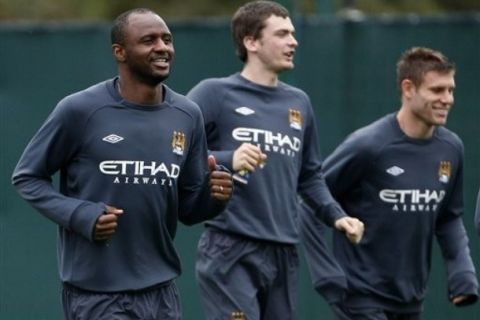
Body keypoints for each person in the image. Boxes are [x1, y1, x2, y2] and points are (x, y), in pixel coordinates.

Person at [11, 8, 233, 320]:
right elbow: (27, 177)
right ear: (120, 52)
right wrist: (81, 214)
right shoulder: (80, 110)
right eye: (148, 40)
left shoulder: (187, 115)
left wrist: (216, 196)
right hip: (96, 295)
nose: (162, 47)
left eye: (167, 39)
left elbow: (190, 209)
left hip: (162, 293)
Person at [186, 1, 364, 319]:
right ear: (251, 42)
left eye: (293, 34)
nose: (293, 41)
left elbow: (310, 176)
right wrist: (228, 158)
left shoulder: (299, 103)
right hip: (229, 249)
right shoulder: (214, 93)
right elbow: (174, 152)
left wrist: (337, 216)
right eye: (282, 34)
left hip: (283, 252)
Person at [300, 46, 479, 320]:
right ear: (408, 89)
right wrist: (327, 275)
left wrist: (462, 274)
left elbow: (448, 218)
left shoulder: (451, 148)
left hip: (410, 299)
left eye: (451, 90)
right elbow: (311, 200)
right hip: (360, 295)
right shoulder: (369, 145)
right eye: (437, 90)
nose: (448, 99)